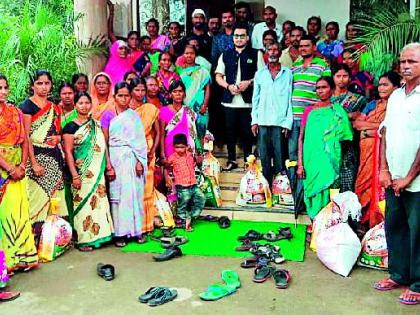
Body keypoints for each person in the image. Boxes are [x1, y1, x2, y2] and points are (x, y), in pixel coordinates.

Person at [374, 43, 420, 305]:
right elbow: (385, 133)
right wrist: (384, 169)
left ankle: (417, 283)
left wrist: (409, 177)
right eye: (403, 61)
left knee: (418, 231)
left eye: (412, 61)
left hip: (416, 181)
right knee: (395, 227)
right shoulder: (395, 96)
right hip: (392, 178)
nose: (405, 66)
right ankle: (399, 274)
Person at [62, 92, 114, 251]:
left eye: (87, 103)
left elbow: (104, 146)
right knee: (82, 205)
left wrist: (109, 165)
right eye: (81, 103)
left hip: (97, 173)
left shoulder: (96, 124)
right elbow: (68, 152)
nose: (84, 106)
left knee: (99, 202)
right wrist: (75, 175)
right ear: (76, 105)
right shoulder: (70, 127)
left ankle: (100, 236)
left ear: (91, 105)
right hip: (81, 173)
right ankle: (84, 239)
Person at [297, 77, 353, 219]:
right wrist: (300, 164)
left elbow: (346, 138)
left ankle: (325, 225)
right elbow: (301, 138)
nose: (320, 91)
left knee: (328, 190)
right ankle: (314, 222)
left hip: (330, 161)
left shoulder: (338, 112)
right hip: (311, 160)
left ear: (332, 90)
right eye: (318, 88)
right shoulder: (309, 111)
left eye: (324, 87)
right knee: (312, 191)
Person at [101, 82, 147, 247]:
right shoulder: (107, 115)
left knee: (134, 195)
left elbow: (139, 143)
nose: (123, 98)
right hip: (115, 158)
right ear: (114, 97)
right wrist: (108, 165)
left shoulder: (133, 116)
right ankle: (120, 233)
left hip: (132, 160)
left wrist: (140, 162)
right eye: (120, 95)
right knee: (118, 197)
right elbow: (104, 142)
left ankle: (136, 231)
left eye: (126, 95)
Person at [0, 74, 38, 272]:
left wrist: (22, 165)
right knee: (5, 215)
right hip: (3, 171)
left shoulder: (15, 111)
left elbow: (24, 139)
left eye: (5, 87)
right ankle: (8, 261)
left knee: (20, 212)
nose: (3, 92)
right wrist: (10, 168)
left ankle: (23, 257)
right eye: (0, 88)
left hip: (18, 168)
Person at [354, 71, 401, 228]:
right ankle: (364, 224)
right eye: (379, 84)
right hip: (366, 154)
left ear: (396, 87)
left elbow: (392, 127)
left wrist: (367, 131)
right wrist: (376, 128)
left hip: (384, 156)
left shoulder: (399, 106)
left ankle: (378, 224)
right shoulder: (371, 105)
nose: (381, 88)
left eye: (385, 84)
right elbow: (357, 124)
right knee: (363, 184)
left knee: (380, 188)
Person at [215, 23, 265, 170]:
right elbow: (218, 76)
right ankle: (231, 160)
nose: (239, 39)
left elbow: (262, 76)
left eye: (242, 36)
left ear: (247, 38)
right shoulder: (225, 54)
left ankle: (248, 161)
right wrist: (227, 86)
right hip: (229, 102)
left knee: (247, 132)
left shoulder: (256, 54)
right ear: (233, 38)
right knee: (230, 132)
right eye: (236, 36)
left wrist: (249, 83)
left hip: (248, 102)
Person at [21, 70, 68, 225]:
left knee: (56, 199)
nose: (43, 87)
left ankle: (55, 241)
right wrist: (33, 163)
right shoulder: (26, 106)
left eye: (47, 83)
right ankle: (34, 238)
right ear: (32, 86)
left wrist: (58, 138)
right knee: (36, 198)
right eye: (39, 83)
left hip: (54, 158)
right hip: (35, 157)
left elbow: (60, 133)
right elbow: (26, 136)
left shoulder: (55, 108)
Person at [289, 35, 331, 176]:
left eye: (306, 45)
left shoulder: (322, 65)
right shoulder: (295, 66)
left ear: (314, 47)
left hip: (314, 116)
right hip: (295, 116)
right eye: (301, 46)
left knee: (312, 150)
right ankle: (295, 189)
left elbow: (327, 87)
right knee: (294, 152)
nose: (303, 48)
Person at [251, 42, 293, 184]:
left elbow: (290, 100)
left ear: (280, 53)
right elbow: (255, 99)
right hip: (262, 121)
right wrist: (254, 121)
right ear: (266, 53)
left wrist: (288, 122)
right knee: (264, 158)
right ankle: (267, 187)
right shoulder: (260, 74)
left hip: (280, 122)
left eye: (276, 49)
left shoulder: (288, 74)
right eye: (270, 49)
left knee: (280, 158)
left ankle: (280, 189)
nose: (273, 52)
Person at [129, 77, 160, 237]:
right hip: (129, 152)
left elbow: (158, 132)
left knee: (146, 189)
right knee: (132, 190)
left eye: (142, 90)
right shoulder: (125, 109)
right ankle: (132, 227)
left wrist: (153, 151)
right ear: (131, 91)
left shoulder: (149, 108)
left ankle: (146, 226)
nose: (140, 93)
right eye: (137, 90)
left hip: (148, 151)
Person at [331, 64, 367, 192]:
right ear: (333, 77)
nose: (341, 79)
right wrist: (349, 115)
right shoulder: (327, 99)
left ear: (350, 78)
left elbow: (361, 120)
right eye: (338, 76)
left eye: (345, 76)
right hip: (328, 146)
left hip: (349, 145)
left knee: (348, 175)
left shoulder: (358, 100)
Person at [164, 133, 205, 232]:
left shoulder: (190, 155)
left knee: (201, 198)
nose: (180, 150)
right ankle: (183, 219)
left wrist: (199, 159)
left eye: (182, 147)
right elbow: (166, 168)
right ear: (174, 147)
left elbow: (196, 163)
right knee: (184, 202)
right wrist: (167, 178)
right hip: (182, 186)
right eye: (177, 147)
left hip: (193, 184)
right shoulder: (172, 158)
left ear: (186, 146)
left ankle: (190, 217)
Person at [177, 45, 211, 140]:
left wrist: (204, 105)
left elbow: (208, 89)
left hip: (200, 106)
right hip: (184, 106)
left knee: (201, 132)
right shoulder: (180, 71)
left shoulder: (203, 71)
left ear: (196, 55)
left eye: (192, 53)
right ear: (183, 55)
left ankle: (200, 154)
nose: (189, 55)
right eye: (187, 53)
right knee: (187, 133)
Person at [159, 80, 200, 161]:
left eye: (180, 91)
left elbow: (194, 133)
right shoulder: (164, 111)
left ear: (184, 94)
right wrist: (162, 153)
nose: (178, 94)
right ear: (170, 95)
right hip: (170, 148)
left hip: (187, 149)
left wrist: (198, 152)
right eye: (175, 91)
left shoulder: (189, 111)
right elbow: (162, 135)